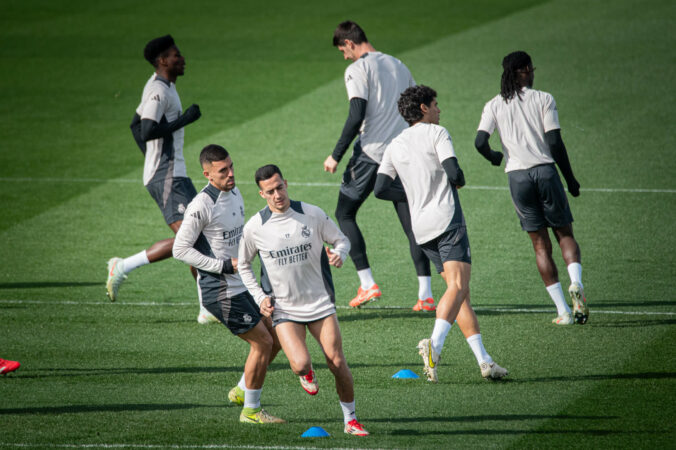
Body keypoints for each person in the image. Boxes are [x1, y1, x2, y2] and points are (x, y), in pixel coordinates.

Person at [374, 85, 508, 383]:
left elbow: (380, 188)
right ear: (423, 108)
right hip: (447, 221)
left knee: (460, 294)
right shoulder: (437, 133)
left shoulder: (395, 144)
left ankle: (485, 361)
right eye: (435, 104)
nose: (439, 109)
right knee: (458, 287)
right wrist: (455, 183)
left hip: (421, 230)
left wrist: (411, 193)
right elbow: (455, 173)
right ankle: (434, 345)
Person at [238, 164, 369, 437]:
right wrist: (260, 297)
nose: (277, 195)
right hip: (284, 308)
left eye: (280, 187)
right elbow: (243, 265)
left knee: (336, 361)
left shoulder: (311, 213)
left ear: (286, 183)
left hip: (320, 303)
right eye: (270, 191)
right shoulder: (255, 227)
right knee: (299, 364)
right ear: (262, 194)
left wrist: (339, 254)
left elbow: (342, 240)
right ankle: (306, 372)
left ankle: (351, 420)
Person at [324, 20, 435, 312]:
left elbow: (356, 113)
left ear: (349, 43)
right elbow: (416, 110)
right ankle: (425, 295)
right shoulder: (399, 65)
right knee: (411, 224)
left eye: (342, 51)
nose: (344, 57)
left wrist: (335, 155)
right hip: (402, 155)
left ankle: (367, 283)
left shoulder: (357, 69)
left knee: (344, 212)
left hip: (371, 154)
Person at [106, 35, 217, 324]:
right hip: (167, 176)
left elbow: (134, 124)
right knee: (190, 238)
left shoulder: (162, 86)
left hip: (171, 173)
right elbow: (145, 130)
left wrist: (150, 159)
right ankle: (123, 266)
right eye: (176, 55)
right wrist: (186, 120)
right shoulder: (158, 91)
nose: (182, 59)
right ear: (162, 61)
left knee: (199, 236)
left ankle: (207, 309)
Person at [474, 51, 588, 326]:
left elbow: (480, 142)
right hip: (545, 172)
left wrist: (494, 157)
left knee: (540, 246)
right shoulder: (543, 99)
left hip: (517, 177)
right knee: (564, 234)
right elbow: (554, 143)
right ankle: (576, 283)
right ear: (525, 70)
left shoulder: (494, 105)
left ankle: (562, 311)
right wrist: (570, 179)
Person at [172, 145, 284, 424]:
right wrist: (222, 266)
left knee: (277, 337)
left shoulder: (234, 193)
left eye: (231, 166)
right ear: (208, 174)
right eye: (223, 171)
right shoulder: (201, 206)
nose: (231, 173)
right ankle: (251, 411)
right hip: (219, 291)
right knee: (263, 343)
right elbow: (180, 249)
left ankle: (242, 389)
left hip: (241, 284)